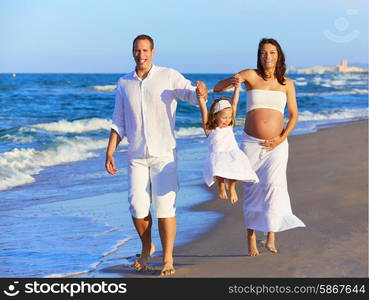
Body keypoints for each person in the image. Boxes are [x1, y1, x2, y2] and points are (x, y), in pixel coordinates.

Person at [105, 34, 208, 275]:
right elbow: (118, 122)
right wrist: (110, 151)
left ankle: (168, 258)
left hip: (164, 154)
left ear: (153, 52)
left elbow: (191, 96)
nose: (141, 55)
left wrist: (200, 92)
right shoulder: (124, 83)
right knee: (137, 206)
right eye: (137, 50)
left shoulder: (168, 75)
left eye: (145, 50)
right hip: (136, 155)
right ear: (132, 52)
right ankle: (146, 247)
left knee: (165, 208)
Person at [214, 38, 305, 256]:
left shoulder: (287, 84)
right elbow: (218, 88)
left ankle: (271, 234)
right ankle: (252, 237)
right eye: (264, 53)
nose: (268, 57)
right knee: (253, 189)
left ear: (279, 55)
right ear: (259, 55)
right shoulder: (250, 75)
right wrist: (232, 81)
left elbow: (293, 116)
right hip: (250, 143)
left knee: (274, 187)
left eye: (272, 53)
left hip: (277, 145)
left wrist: (281, 138)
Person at [198, 85, 259, 204]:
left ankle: (231, 188)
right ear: (215, 116)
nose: (227, 120)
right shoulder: (209, 129)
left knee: (235, 168)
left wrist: (237, 88)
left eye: (229, 117)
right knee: (219, 169)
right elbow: (204, 111)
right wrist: (200, 98)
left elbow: (234, 104)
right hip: (218, 154)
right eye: (224, 118)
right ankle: (221, 186)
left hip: (232, 152)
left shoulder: (230, 126)